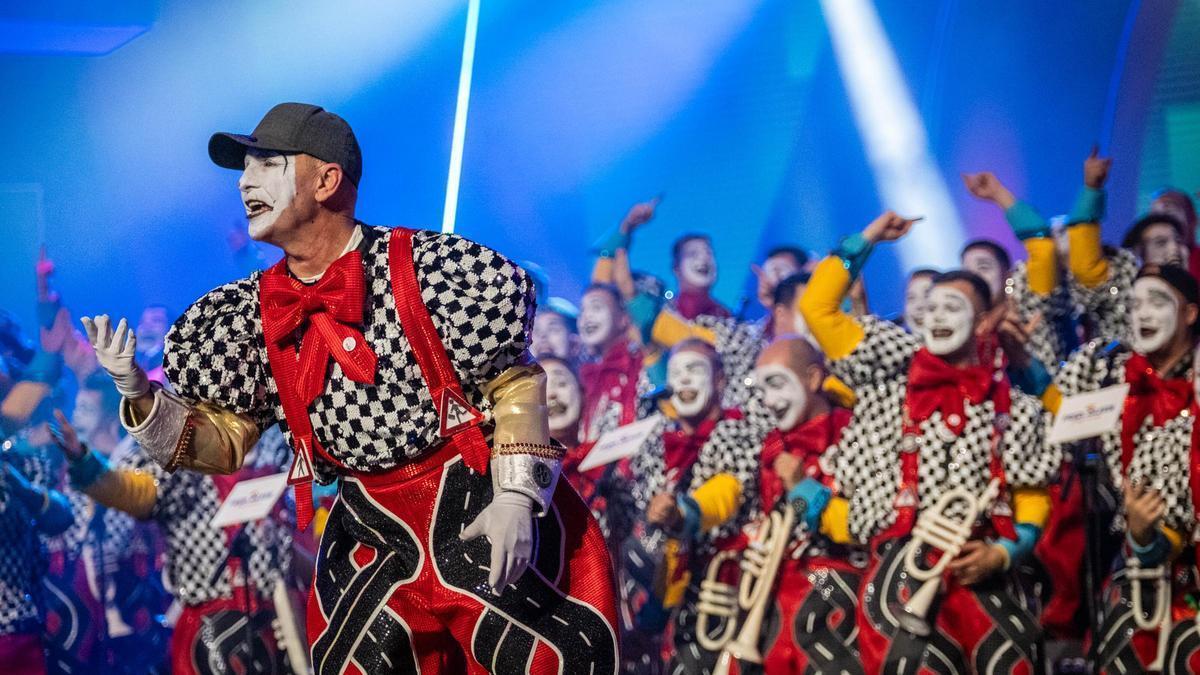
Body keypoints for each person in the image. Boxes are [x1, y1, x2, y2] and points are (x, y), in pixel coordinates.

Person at [81, 102, 618, 673]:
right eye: (244, 169)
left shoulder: (424, 270)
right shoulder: (252, 317)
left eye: (266, 164)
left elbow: (514, 381)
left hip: (477, 511)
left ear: (326, 180)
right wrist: (138, 393)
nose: (243, 182)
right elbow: (225, 443)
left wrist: (516, 496)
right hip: (371, 538)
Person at [799, 212, 1057, 673]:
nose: (936, 317)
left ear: (982, 323)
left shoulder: (1011, 403)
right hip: (897, 582)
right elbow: (817, 309)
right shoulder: (888, 371)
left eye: (952, 308)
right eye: (931, 307)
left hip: (985, 576)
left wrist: (1004, 553)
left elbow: (1033, 498)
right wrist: (869, 236)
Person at [51, 405, 294, 674]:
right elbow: (135, 492)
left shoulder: (278, 445)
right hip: (210, 632)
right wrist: (85, 463)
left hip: (278, 621)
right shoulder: (182, 451)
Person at [629, 340, 772, 674]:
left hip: (721, 595)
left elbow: (729, 489)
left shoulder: (739, 430)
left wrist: (683, 513)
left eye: (695, 370)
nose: (686, 381)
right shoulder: (657, 441)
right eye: (677, 373)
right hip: (662, 600)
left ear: (720, 380)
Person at [749, 336, 863, 674]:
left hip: (838, 603)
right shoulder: (770, 446)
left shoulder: (854, 432)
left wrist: (801, 489)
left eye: (777, 384)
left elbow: (863, 526)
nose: (769, 401)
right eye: (762, 390)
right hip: (776, 604)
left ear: (813, 379)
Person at [577, 283, 646, 443]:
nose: (586, 316)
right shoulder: (585, 378)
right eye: (582, 311)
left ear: (623, 318)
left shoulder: (642, 363)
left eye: (596, 307)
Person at [670, 234, 731, 320]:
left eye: (709, 253)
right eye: (693, 254)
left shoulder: (726, 316)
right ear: (676, 268)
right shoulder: (663, 312)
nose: (704, 258)